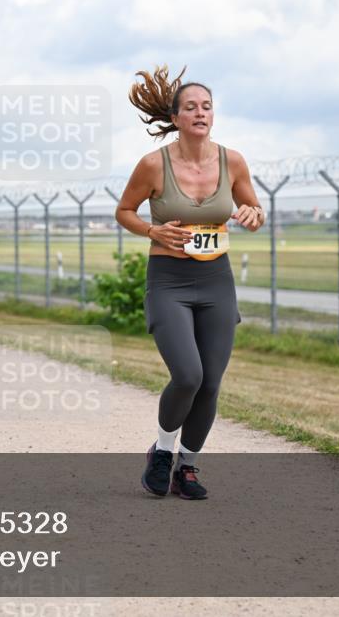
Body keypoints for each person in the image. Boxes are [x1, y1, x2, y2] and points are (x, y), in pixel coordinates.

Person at [115, 65, 266, 500]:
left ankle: (188, 467)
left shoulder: (232, 161)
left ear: (213, 116)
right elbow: (124, 211)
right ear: (176, 117)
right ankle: (161, 453)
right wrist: (152, 231)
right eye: (191, 107)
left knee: (212, 382)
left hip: (216, 280)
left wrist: (254, 216)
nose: (200, 112)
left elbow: (254, 211)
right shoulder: (152, 165)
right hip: (169, 281)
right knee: (188, 374)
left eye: (207, 106)